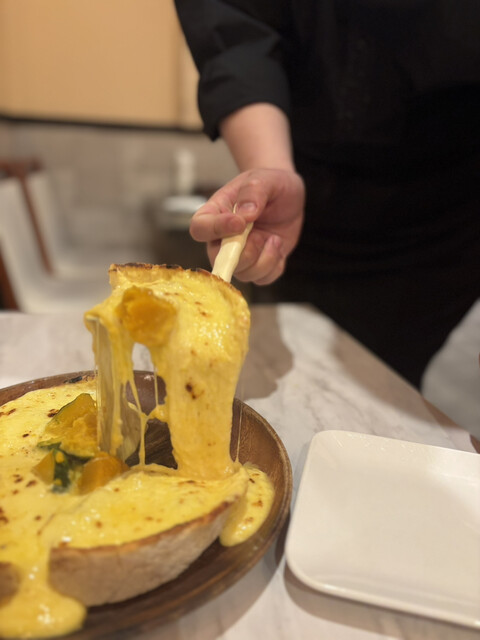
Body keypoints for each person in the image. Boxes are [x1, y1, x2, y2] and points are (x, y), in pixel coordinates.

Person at [174, 0, 480, 388]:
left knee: (393, 384)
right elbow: (235, 31)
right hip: (302, 200)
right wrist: (271, 168)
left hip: (448, 205)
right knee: (292, 378)